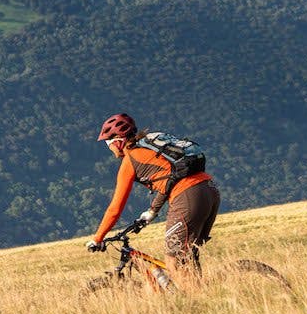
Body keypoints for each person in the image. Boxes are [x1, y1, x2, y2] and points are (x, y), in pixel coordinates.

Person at [85, 113, 220, 278]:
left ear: (118, 141)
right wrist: (152, 211)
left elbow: (115, 208)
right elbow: (172, 178)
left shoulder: (130, 161)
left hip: (187, 197)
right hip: (209, 189)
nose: (108, 147)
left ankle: (197, 301)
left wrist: (97, 238)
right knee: (188, 260)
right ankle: (206, 295)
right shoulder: (150, 145)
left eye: (108, 143)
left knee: (173, 262)